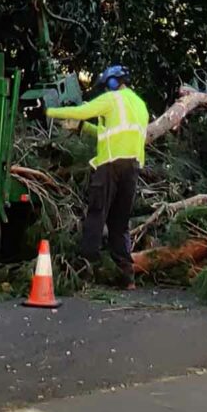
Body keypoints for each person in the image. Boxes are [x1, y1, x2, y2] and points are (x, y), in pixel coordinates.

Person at [47, 64, 148, 282]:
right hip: (132, 168)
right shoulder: (140, 105)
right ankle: (126, 275)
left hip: (110, 166)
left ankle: (85, 270)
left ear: (112, 83)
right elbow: (111, 134)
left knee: (96, 214)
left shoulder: (112, 99)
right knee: (120, 223)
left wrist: (50, 111)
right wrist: (84, 129)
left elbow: (81, 112)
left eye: (105, 86)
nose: (104, 90)